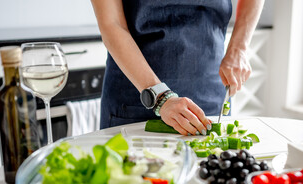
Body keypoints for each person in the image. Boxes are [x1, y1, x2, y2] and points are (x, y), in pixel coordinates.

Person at [91, 0, 264, 135]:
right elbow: (112, 23)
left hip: (211, 91)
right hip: (136, 98)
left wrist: (239, 47)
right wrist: (160, 97)